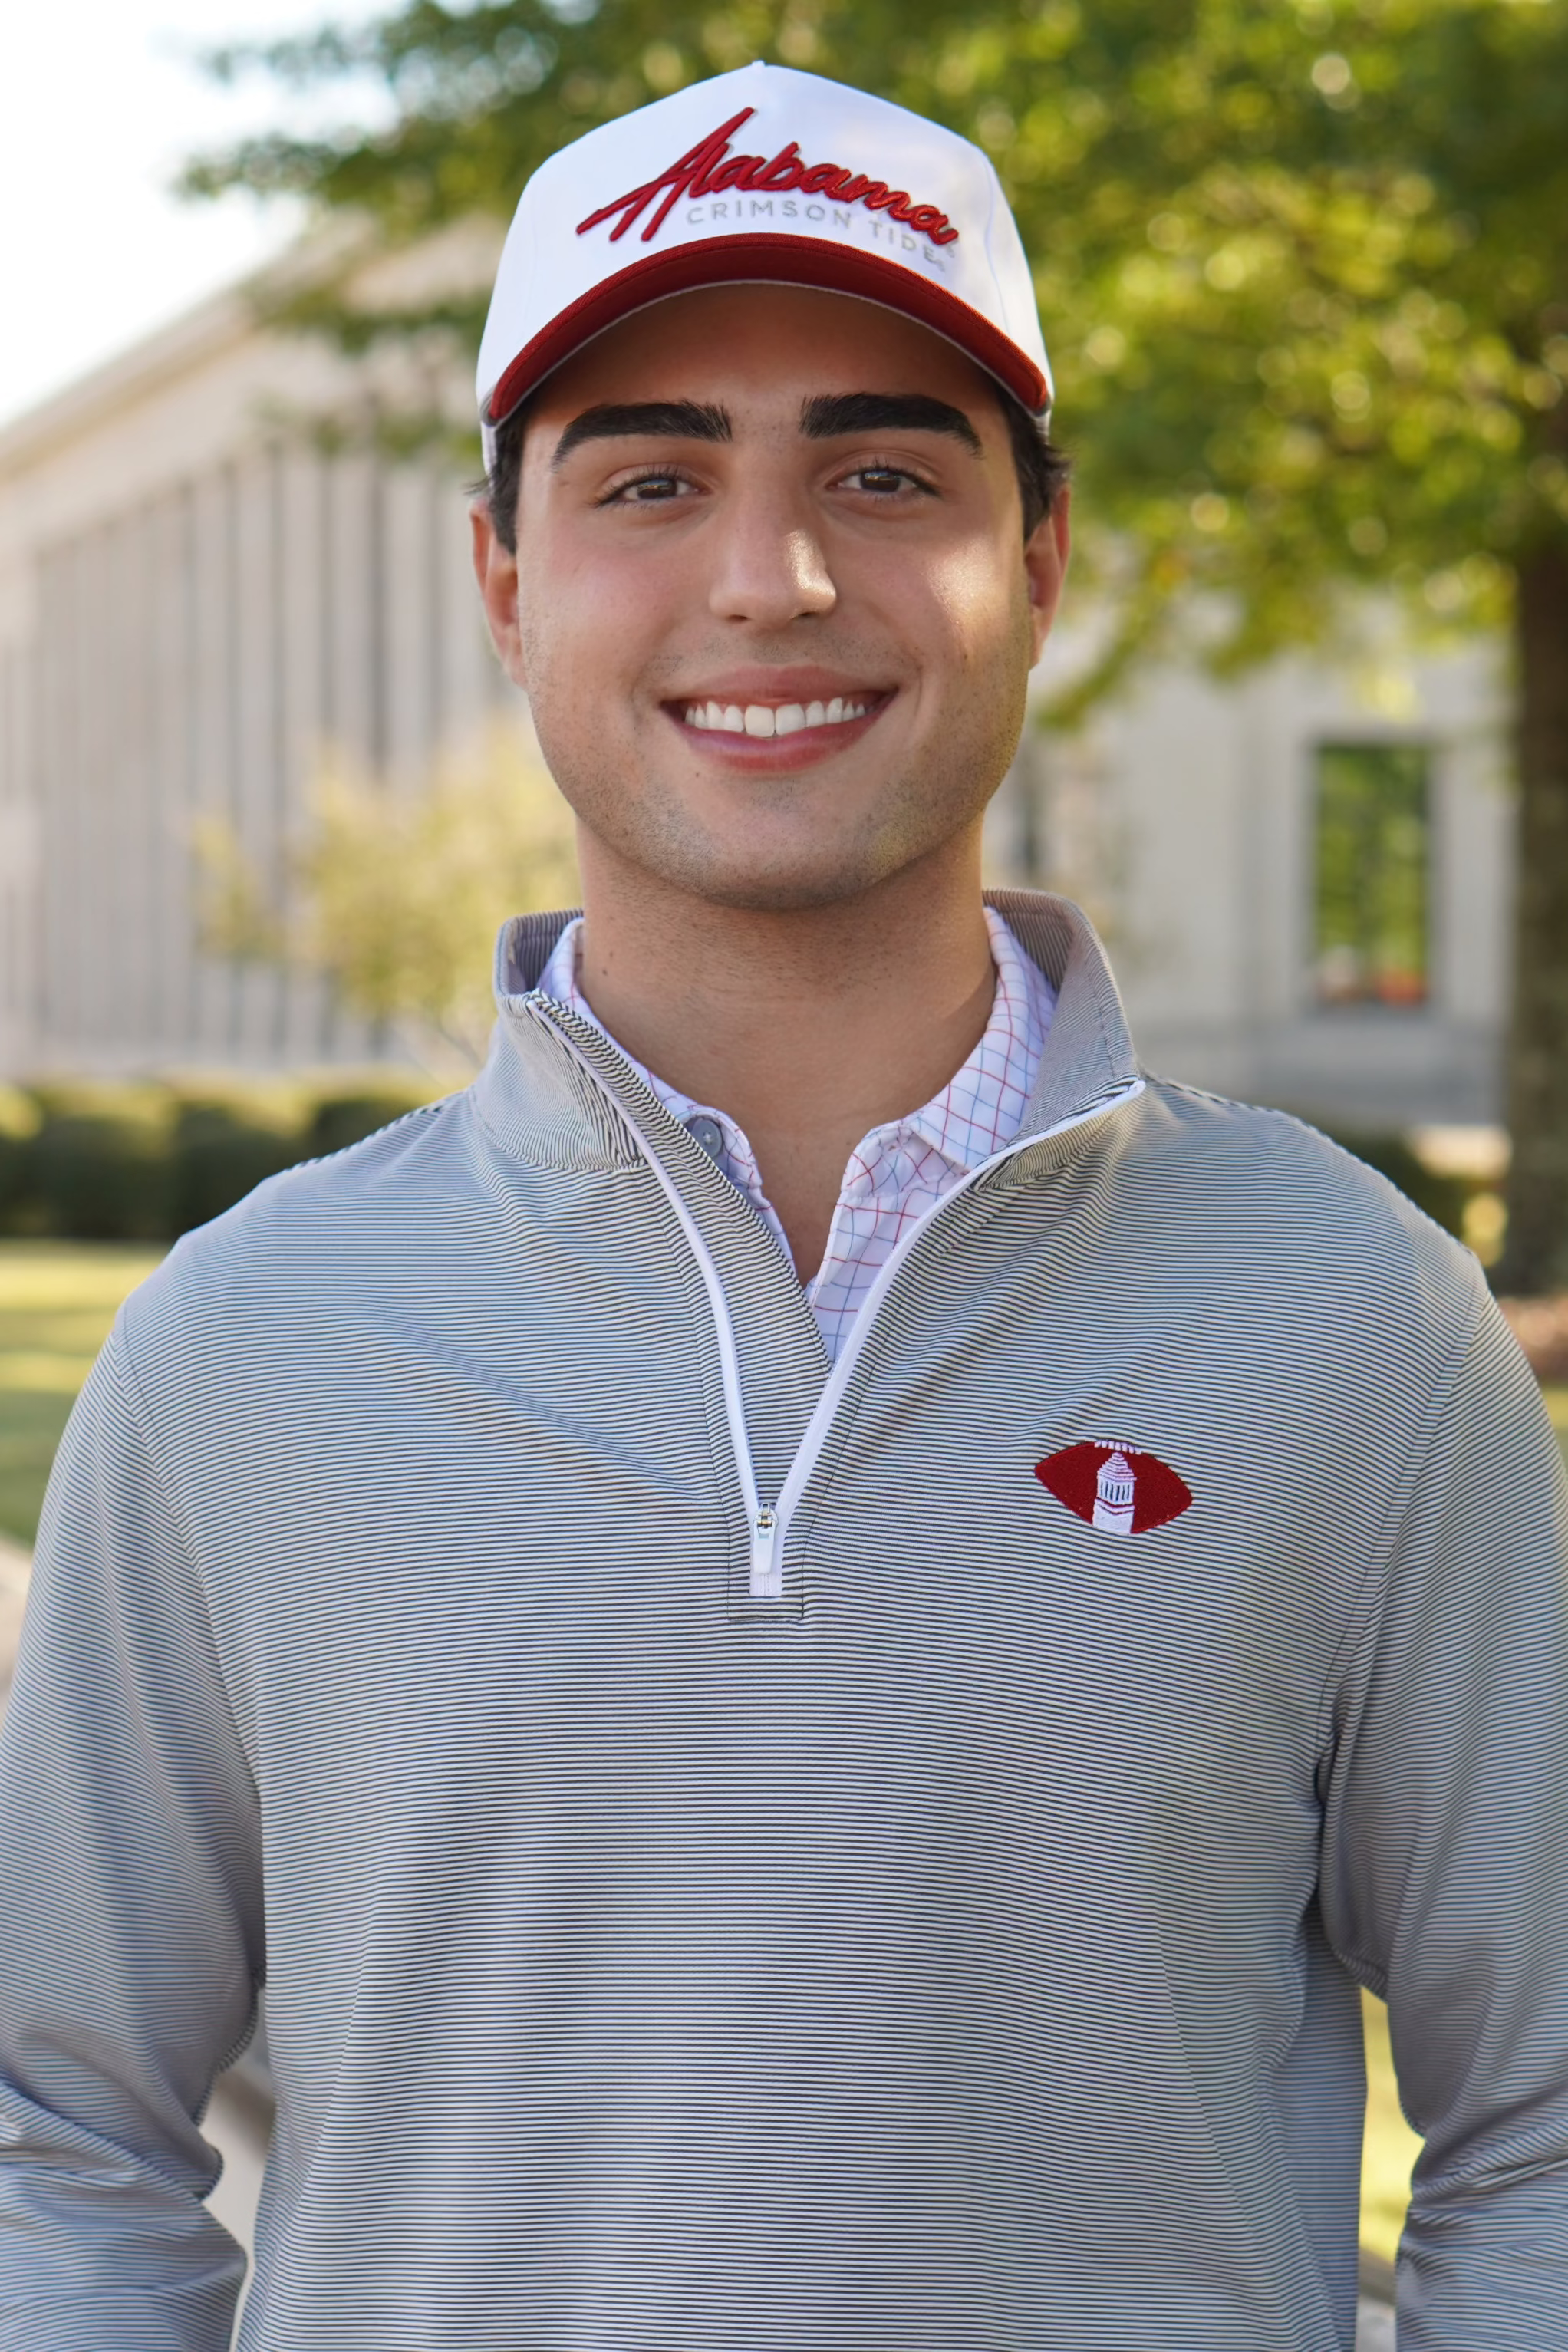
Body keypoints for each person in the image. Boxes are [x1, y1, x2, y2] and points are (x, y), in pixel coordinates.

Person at [2, 60, 1566, 2352]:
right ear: (503, 578)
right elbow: (57, 2134)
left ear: (1033, 561)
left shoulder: (1345, 1316)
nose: (773, 574)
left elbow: (1535, 2127)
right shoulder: (248, 1342)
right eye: (652, 476)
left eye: (881, 468)